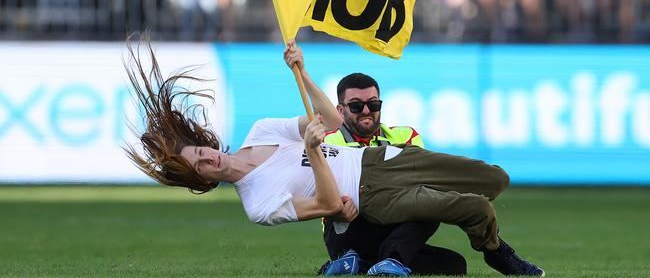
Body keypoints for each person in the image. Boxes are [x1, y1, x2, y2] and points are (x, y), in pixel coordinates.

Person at [125, 39, 545, 277]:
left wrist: (302, 71)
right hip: (370, 198)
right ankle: (494, 251)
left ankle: (371, 263)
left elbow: (328, 117)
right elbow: (329, 204)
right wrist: (312, 149)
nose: (208, 159)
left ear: (208, 141)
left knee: (494, 179)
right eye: (200, 166)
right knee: (472, 207)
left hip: (382, 159)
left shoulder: (260, 132)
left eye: (202, 151)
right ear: (204, 180)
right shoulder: (258, 205)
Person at [318, 72, 467, 276]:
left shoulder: (406, 136)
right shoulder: (327, 142)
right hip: (349, 227)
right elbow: (323, 195)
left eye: (373, 104)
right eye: (356, 106)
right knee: (344, 208)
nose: (366, 111)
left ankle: (376, 263)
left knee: (454, 264)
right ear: (340, 111)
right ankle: (374, 260)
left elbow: (418, 185)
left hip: (392, 228)